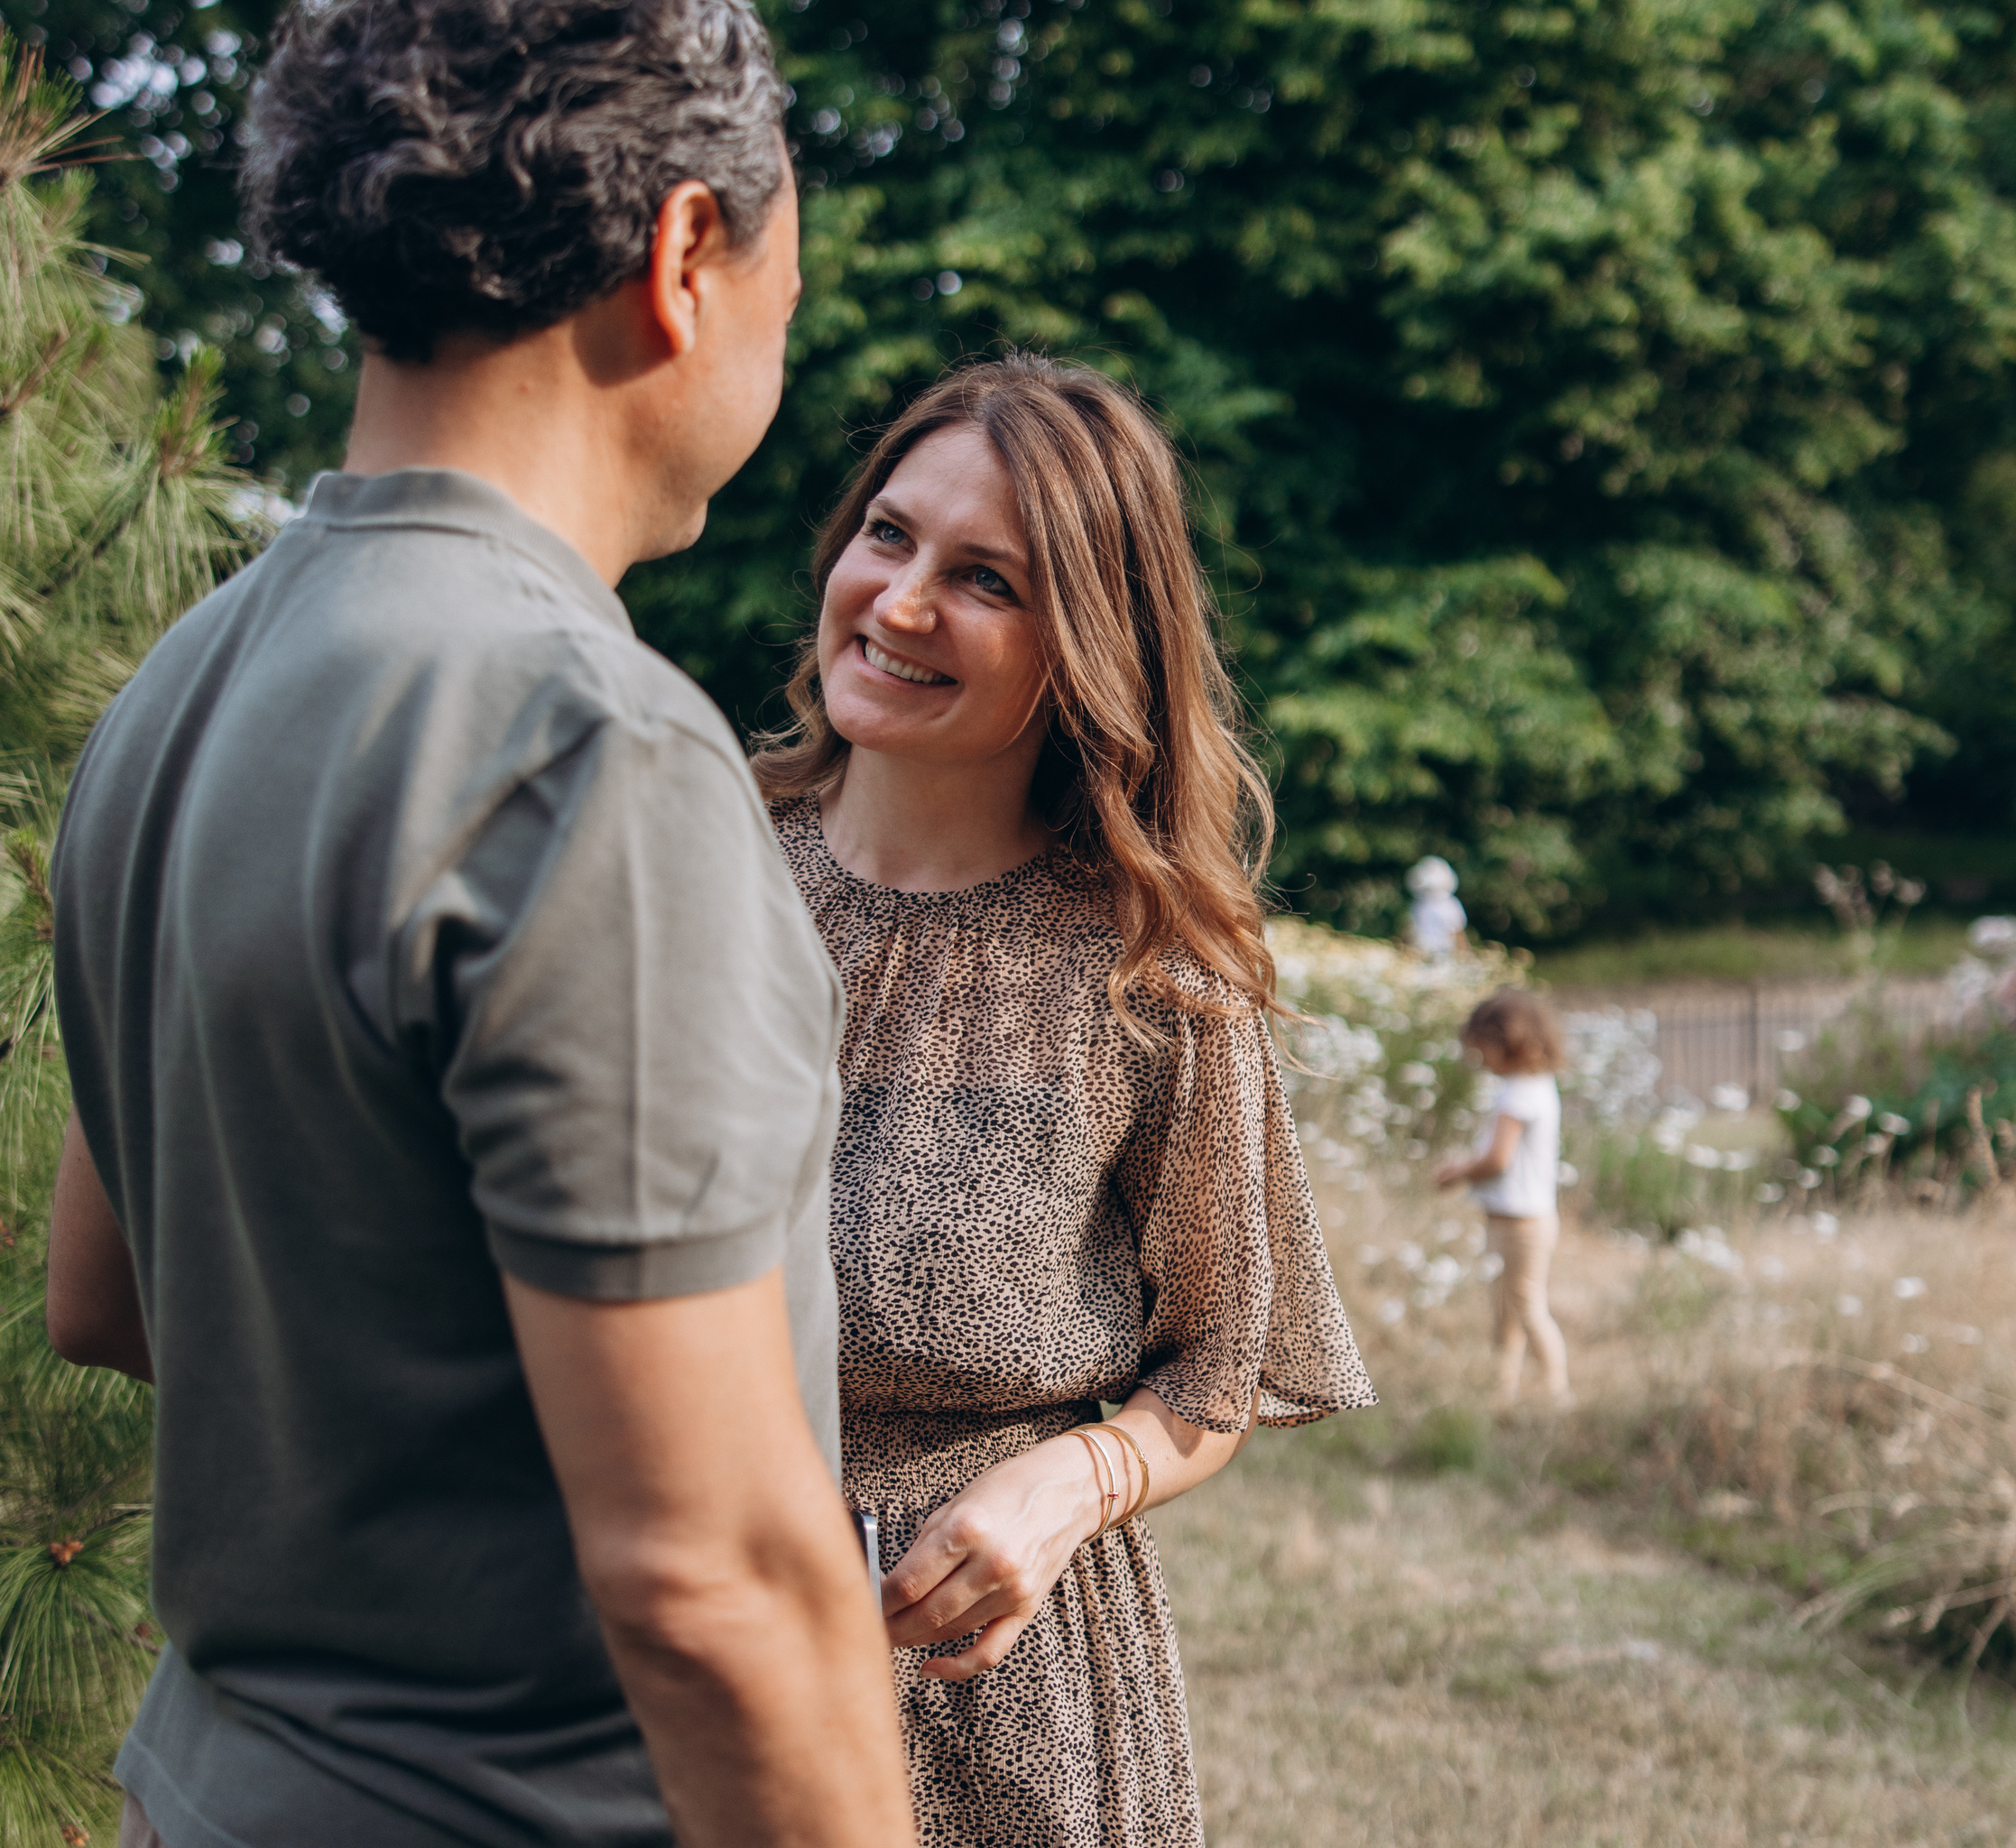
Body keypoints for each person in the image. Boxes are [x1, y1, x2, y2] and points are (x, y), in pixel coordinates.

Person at [42, 4, 914, 1844]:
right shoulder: (583, 746)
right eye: (788, 278)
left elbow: (103, 1295)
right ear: (683, 256)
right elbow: (714, 1590)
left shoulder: (185, 683)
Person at [751, 354, 1376, 1845]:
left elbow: (1219, 1364)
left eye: (986, 580)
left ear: (1088, 641)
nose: (901, 600)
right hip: (697, 1622)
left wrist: (1068, 1485)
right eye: (888, 534)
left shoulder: (1154, 963)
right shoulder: (697, 857)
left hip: (995, 1690)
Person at [1436, 989, 1573, 1406]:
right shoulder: (1536, 1084)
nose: (1482, 1061)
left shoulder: (1516, 1095)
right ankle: (1503, 1389)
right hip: (1516, 1218)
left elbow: (1497, 1160)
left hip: (1521, 1222)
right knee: (1506, 1309)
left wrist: (1458, 1172)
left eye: (1484, 1051)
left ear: (1508, 1042)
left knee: (1527, 1307)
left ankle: (1557, 1391)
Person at [1406, 855, 1468, 963]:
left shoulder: (1450, 904)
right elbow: (1410, 930)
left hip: (1444, 954)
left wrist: (1464, 955)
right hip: (1420, 954)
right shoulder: (1418, 904)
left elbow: (1458, 933)